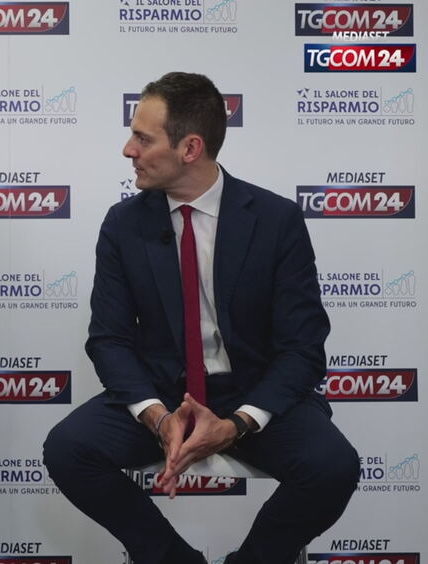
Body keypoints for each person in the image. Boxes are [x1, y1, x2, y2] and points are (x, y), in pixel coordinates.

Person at [43, 72, 359, 564]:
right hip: (164, 393)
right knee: (68, 449)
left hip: (253, 392)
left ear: (190, 148)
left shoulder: (276, 220)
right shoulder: (123, 224)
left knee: (333, 466)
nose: (128, 150)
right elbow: (109, 340)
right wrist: (159, 417)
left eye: (143, 139)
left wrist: (238, 423)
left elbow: (302, 347)